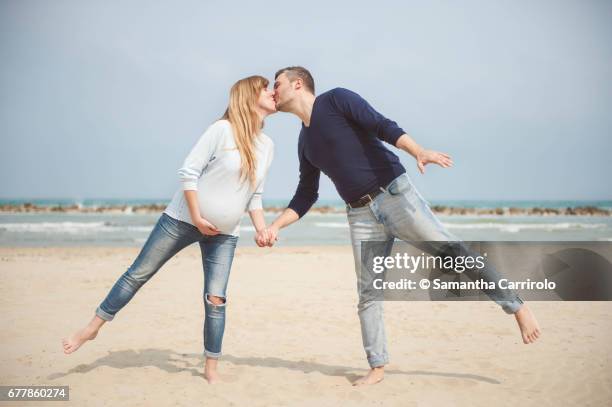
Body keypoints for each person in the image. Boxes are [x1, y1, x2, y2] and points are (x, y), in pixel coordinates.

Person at [257, 66, 541, 386]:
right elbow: (306, 194)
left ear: (297, 84)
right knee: (368, 294)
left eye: (277, 84)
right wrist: (277, 225)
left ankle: (516, 307)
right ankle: (377, 367)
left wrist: (418, 151)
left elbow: (381, 125)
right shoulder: (304, 142)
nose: (273, 91)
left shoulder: (336, 100)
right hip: (360, 215)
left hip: (395, 195)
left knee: (452, 252)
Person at [62, 75, 276, 384]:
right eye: (265, 88)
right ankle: (92, 327)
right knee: (138, 274)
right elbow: (189, 172)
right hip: (181, 220)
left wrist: (260, 229)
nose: (272, 93)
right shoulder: (221, 130)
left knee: (216, 298)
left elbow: (254, 195)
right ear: (247, 96)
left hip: (226, 234)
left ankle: (211, 369)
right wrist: (198, 216)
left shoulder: (267, 146)